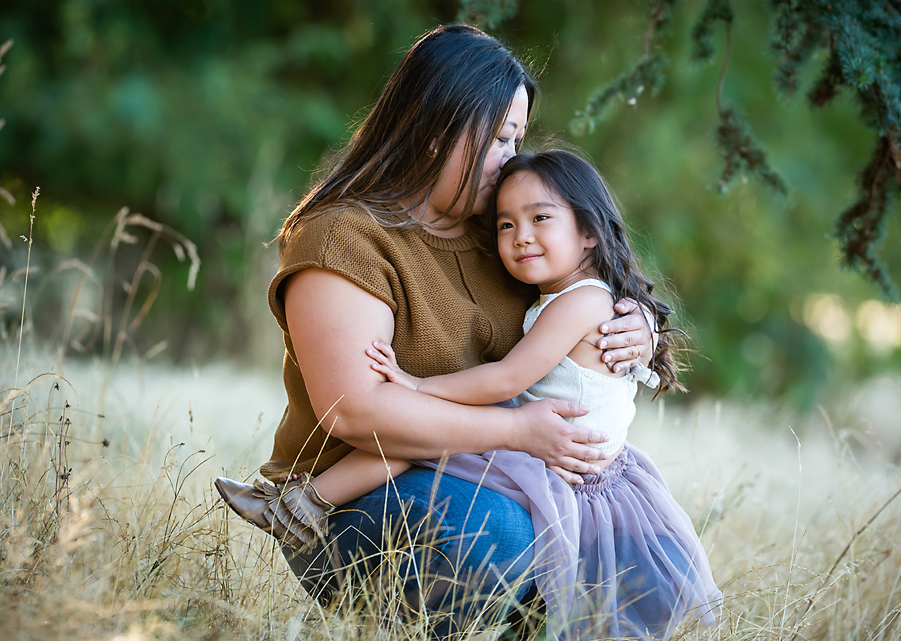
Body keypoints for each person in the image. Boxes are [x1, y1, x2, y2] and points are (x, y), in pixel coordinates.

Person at [214, 24, 657, 639]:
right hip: (349, 506)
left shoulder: (503, 239)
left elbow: (584, 287)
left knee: (609, 543)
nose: (510, 157)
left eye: (518, 138)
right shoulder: (346, 237)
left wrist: (633, 322)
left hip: (492, 473)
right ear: (433, 125)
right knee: (496, 529)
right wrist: (519, 431)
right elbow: (354, 411)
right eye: (498, 136)